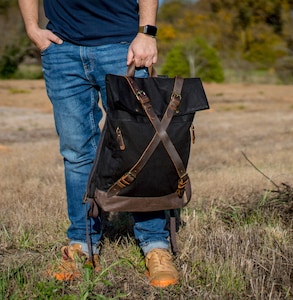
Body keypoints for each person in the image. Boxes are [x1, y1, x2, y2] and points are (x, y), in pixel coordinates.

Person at [18, 0, 179, 288]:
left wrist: (147, 32)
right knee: (76, 153)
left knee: (139, 147)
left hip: (122, 46)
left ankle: (155, 244)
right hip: (62, 49)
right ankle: (83, 243)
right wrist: (32, 28)